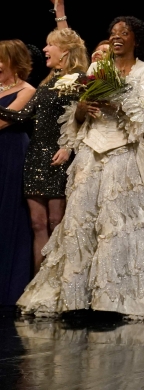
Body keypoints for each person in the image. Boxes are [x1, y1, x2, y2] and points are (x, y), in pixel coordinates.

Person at [18, 16, 144, 319]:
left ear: (136, 39)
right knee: (82, 224)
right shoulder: (96, 68)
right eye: (113, 32)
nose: (117, 37)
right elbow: (78, 117)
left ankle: (115, 299)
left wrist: (114, 99)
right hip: (92, 152)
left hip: (123, 153)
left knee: (118, 226)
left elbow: (142, 110)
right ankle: (77, 298)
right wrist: (82, 109)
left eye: (124, 32)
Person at [0, 28, 90, 273]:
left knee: (55, 221)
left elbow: (81, 121)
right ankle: (38, 284)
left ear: (66, 52)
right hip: (36, 156)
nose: (45, 50)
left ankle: (57, 283)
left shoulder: (81, 79)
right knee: (38, 224)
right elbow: (21, 116)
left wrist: (68, 148)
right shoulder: (47, 82)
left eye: (51, 45)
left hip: (57, 157)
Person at [0, 40, 35, 308]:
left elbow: (4, 120)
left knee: (8, 214)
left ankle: (9, 287)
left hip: (10, 153)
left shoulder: (27, 90)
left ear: (14, 61)